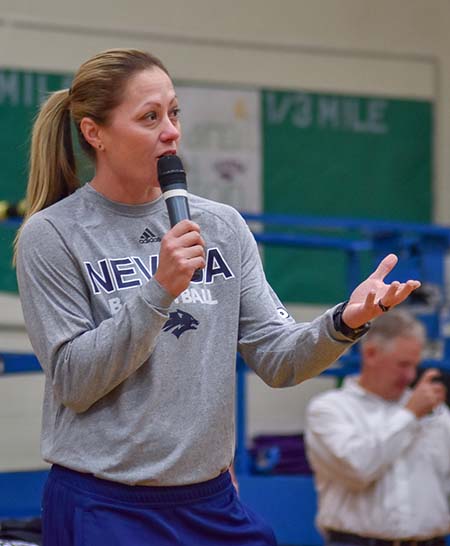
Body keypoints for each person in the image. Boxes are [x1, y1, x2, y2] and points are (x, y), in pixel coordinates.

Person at [14, 48, 420, 546]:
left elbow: (278, 359)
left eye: (173, 112)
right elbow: (74, 381)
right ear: (94, 133)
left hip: (210, 503)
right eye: (149, 117)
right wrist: (159, 289)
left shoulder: (223, 226)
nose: (171, 131)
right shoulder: (53, 234)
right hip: (107, 504)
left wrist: (344, 321)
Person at [305, 309, 450, 546]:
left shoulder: (435, 411)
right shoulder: (329, 409)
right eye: (402, 365)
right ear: (370, 353)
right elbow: (358, 468)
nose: (410, 375)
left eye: (415, 365)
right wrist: (410, 415)